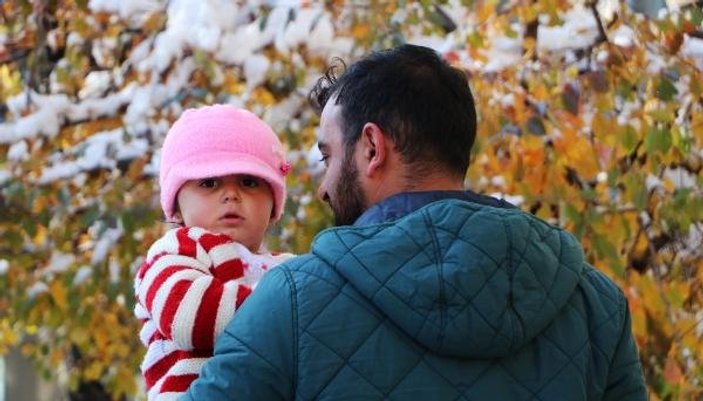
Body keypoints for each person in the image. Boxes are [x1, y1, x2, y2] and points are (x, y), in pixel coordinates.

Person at [182, 45, 647, 400]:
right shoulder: (595, 306)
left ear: (371, 148)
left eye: (328, 156)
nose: (323, 187)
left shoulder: (292, 302)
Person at [133, 104, 293, 401]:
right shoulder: (175, 252)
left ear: (274, 205)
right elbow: (187, 316)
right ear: (177, 206)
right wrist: (289, 308)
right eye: (209, 182)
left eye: (249, 182)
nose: (231, 194)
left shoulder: (287, 268)